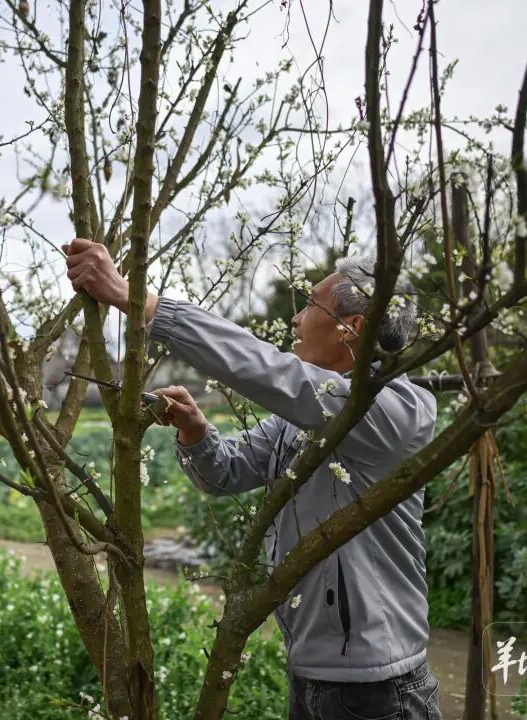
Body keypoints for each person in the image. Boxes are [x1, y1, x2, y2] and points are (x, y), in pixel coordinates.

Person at [64, 238, 443, 720]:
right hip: (311, 668)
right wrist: (196, 432)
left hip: (379, 684)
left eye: (308, 305)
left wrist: (135, 300)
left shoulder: (395, 410)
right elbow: (226, 471)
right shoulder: (305, 418)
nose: (294, 319)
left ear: (353, 329)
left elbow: (270, 370)